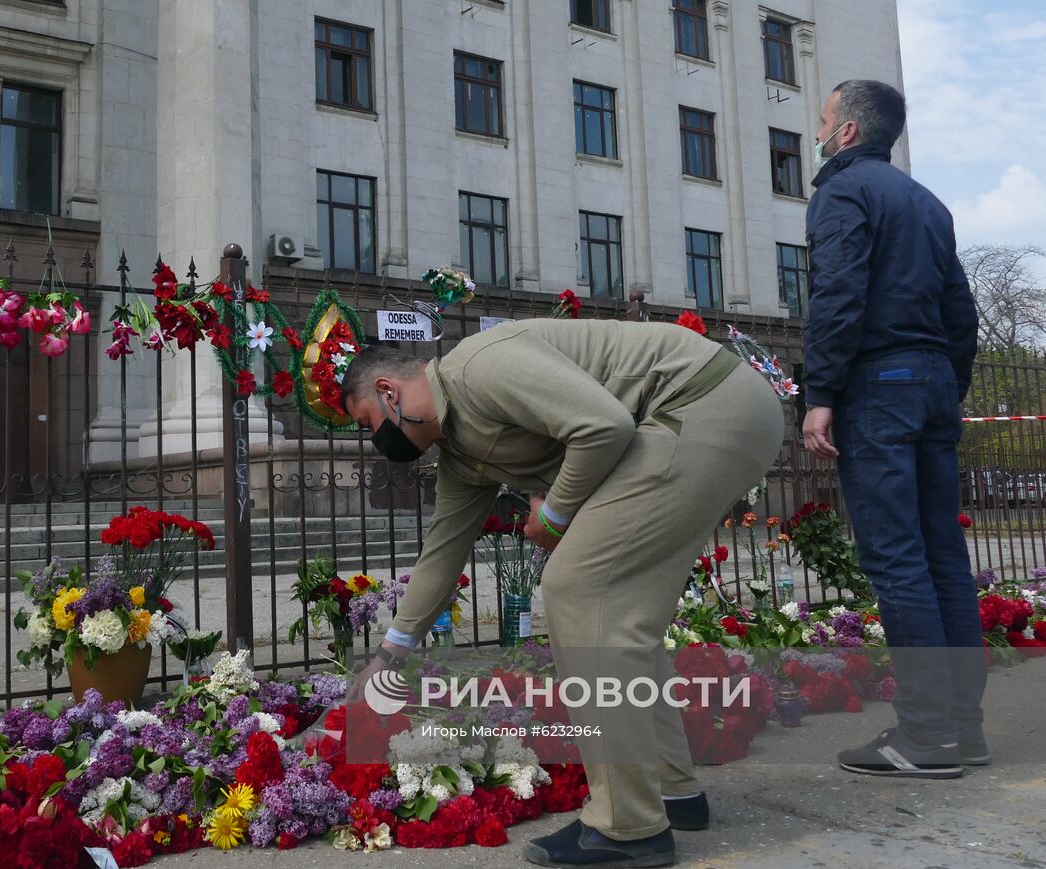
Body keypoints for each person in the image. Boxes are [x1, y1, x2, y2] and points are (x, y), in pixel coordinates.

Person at [340, 318, 785, 868]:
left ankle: (627, 827)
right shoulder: (459, 455)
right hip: (692, 420)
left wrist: (553, 515)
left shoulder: (480, 365)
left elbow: (602, 426)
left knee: (579, 589)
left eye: (369, 423)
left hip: (701, 402)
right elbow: (442, 555)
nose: (377, 441)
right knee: (622, 620)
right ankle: (673, 792)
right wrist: (389, 655)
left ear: (388, 391)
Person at [801, 79, 985, 778]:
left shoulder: (843, 193)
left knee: (898, 560)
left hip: (880, 383)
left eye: (823, 120)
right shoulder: (926, 202)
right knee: (942, 558)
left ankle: (925, 736)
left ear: (847, 131)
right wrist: (947, 387)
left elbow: (837, 291)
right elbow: (959, 309)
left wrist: (822, 392)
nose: (817, 131)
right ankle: (961, 731)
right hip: (933, 379)